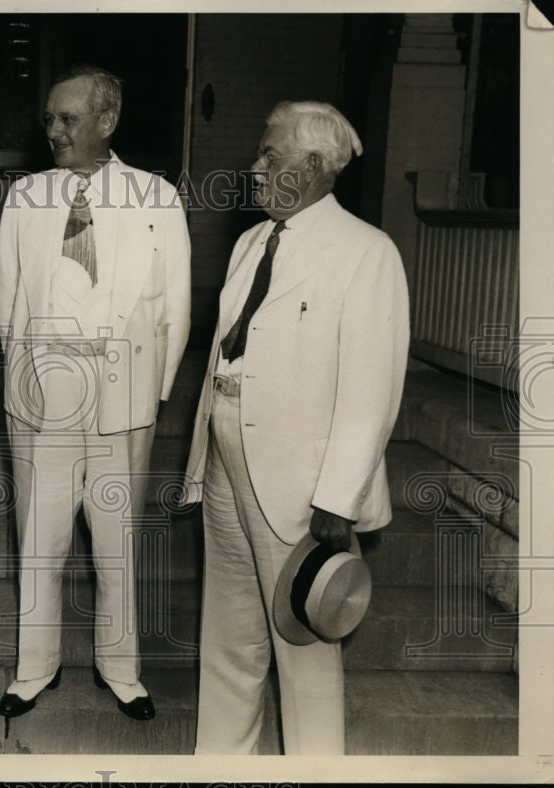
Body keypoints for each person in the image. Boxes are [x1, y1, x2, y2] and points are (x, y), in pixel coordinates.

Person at [183, 101, 410, 754]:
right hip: (228, 462)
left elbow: (372, 393)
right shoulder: (251, 242)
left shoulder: (366, 253)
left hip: (301, 486)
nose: (255, 167)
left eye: (269, 154)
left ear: (312, 166)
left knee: (303, 645)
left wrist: (337, 500)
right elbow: (224, 357)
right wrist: (201, 460)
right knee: (228, 639)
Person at [0, 64, 191, 722]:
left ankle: (121, 669)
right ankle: (34, 669)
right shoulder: (24, 198)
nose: (53, 130)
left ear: (107, 121)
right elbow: (8, 302)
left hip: (121, 395)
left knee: (116, 544)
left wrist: (152, 399)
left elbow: (175, 308)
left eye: (67, 119)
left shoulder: (156, 198)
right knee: (40, 540)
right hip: (44, 391)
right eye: (48, 119)